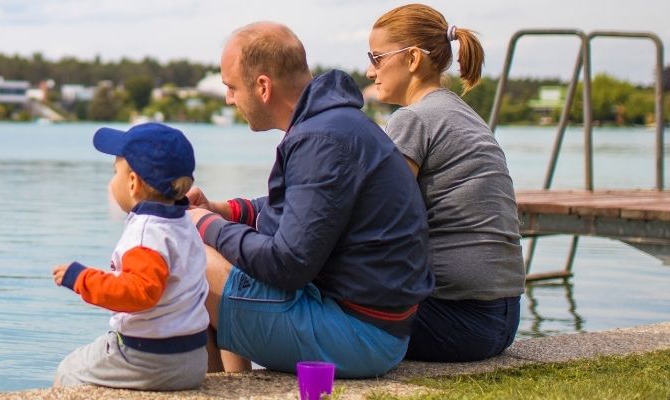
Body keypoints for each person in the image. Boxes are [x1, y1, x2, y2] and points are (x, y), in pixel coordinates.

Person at [186, 22, 433, 379]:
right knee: (213, 245)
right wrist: (223, 211)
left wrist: (204, 224)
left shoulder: (320, 140)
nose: (229, 99)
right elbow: (303, 207)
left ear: (263, 87)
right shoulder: (334, 123)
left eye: (231, 87)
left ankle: (229, 385)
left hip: (360, 336)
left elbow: (288, 265)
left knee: (186, 257)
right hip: (372, 324)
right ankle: (233, 383)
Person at [366, 4, 525, 362]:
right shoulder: (462, 113)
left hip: (456, 320)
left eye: (376, 57)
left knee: (313, 299)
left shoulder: (413, 119)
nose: (369, 70)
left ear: (411, 59)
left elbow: (380, 220)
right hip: (503, 318)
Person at [51, 122, 210, 390]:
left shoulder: (146, 233)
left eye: (115, 172)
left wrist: (82, 278)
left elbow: (139, 292)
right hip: (193, 357)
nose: (112, 181)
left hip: (149, 358)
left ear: (133, 182)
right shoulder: (183, 224)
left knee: (69, 371)